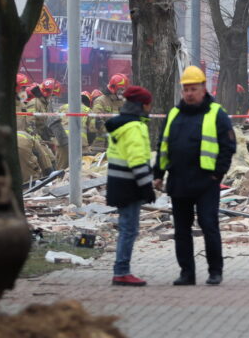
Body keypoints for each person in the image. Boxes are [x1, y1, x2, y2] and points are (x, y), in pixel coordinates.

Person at [154, 66, 236, 286]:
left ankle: (215, 271)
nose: (189, 93)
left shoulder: (216, 113)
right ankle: (186, 273)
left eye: (193, 89)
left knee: (209, 225)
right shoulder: (174, 114)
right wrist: (159, 174)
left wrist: (217, 175)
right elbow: (162, 146)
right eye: (186, 89)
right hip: (179, 181)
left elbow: (228, 146)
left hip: (206, 183)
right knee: (181, 230)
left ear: (203, 88)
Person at [106, 86, 156, 287]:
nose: (150, 108)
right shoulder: (134, 127)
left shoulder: (120, 126)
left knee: (127, 227)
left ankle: (121, 270)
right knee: (129, 229)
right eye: (148, 104)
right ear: (142, 105)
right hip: (129, 185)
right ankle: (121, 271)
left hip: (118, 183)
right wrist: (147, 187)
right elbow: (137, 160)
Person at [16, 74, 53, 183]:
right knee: (30, 165)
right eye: (22, 88)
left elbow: (29, 96)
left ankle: (50, 176)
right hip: (18, 139)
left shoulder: (21, 103)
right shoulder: (8, 103)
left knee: (46, 156)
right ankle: (33, 181)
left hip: (26, 136)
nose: (24, 90)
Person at [90, 74, 130, 154]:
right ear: (113, 88)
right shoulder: (100, 101)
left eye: (124, 89)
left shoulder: (124, 103)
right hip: (100, 148)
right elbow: (96, 123)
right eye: (121, 89)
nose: (122, 92)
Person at [58, 92, 92, 156]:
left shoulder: (63, 107)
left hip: (62, 141)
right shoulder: (88, 110)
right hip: (80, 143)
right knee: (81, 164)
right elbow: (92, 129)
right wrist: (90, 144)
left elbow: (54, 122)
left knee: (62, 165)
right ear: (88, 102)